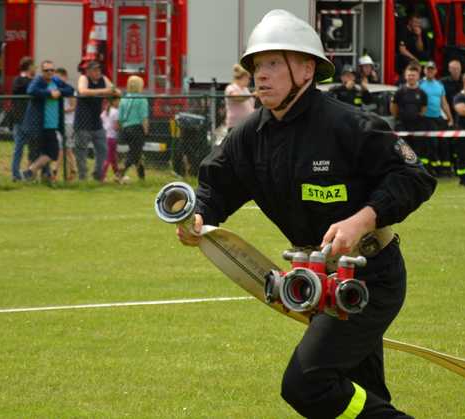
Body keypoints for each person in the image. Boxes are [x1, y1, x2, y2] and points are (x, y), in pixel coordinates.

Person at [177, 9, 436, 418]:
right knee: (359, 392)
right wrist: (198, 217)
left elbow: (415, 176)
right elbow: (215, 188)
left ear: (306, 67)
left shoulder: (347, 124)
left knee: (307, 383)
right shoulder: (249, 137)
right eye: (257, 65)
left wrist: (363, 218)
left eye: (273, 64)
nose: (260, 75)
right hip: (315, 281)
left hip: (370, 276)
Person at [20, 60, 75, 181]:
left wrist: (59, 92)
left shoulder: (56, 81)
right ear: (42, 71)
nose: (50, 72)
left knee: (49, 153)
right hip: (40, 124)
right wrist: (50, 93)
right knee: (43, 153)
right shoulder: (38, 80)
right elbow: (31, 90)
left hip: (53, 124)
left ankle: (32, 174)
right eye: (46, 70)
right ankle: (31, 175)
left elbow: (70, 89)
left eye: (52, 70)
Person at [74, 60, 120, 181]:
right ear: (88, 71)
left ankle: (97, 175)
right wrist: (104, 91)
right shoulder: (84, 78)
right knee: (81, 152)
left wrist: (109, 90)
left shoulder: (103, 79)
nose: (98, 72)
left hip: (97, 123)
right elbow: (82, 91)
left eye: (99, 69)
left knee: (103, 150)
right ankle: (82, 178)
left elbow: (115, 90)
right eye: (94, 70)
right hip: (82, 122)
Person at [419, 61, 454, 175]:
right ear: (424, 71)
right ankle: (430, 169)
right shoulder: (419, 84)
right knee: (431, 144)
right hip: (425, 118)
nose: (430, 71)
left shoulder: (439, 85)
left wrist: (450, 117)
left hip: (437, 117)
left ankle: (443, 169)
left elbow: (444, 103)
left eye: (432, 69)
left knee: (443, 143)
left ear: (435, 71)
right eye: (428, 69)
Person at [391, 62, 428, 166]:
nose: (411, 77)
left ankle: (417, 169)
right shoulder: (400, 91)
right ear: (405, 76)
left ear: (418, 77)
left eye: (413, 75)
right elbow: (393, 106)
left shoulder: (422, 93)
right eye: (409, 75)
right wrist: (397, 117)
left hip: (417, 125)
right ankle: (405, 169)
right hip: (402, 125)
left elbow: (424, 108)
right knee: (403, 150)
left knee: (418, 149)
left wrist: (418, 116)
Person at [118, 75, 149, 182]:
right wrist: (146, 130)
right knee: (135, 153)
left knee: (137, 153)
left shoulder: (124, 99)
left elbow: (120, 117)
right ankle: (120, 172)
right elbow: (143, 117)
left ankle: (142, 178)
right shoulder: (142, 99)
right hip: (137, 129)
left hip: (126, 129)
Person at [10, 56, 36, 182]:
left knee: (34, 148)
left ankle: (30, 173)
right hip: (20, 120)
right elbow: (26, 89)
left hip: (33, 120)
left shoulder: (33, 80)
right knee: (18, 148)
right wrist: (32, 81)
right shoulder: (19, 80)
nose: (35, 68)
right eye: (33, 65)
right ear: (28, 67)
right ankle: (15, 174)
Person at [53, 67, 78, 181]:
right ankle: (73, 170)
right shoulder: (55, 90)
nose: (57, 79)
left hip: (68, 122)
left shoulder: (69, 90)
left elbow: (73, 106)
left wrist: (62, 111)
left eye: (59, 77)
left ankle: (55, 170)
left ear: (65, 77)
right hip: (59, 122)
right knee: (67, 148)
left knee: (62, 147)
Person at [224, 64, 255, 133]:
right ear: (243, 77)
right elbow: (237, 98)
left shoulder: (245, 89)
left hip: (248, 124)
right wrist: (252, 95)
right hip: (235, 125)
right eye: (248, 78)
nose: (249, 81)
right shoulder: (231, 88)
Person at [101, 97, 120, 181]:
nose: (119, 103)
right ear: (114, 101)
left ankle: (118, 175)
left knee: (113, 158)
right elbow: (116, 127)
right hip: (112, 138)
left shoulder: (103, 113)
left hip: (105, 137)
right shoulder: (116, 112)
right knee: (108, 158)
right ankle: (102, 176)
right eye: (119, 101)